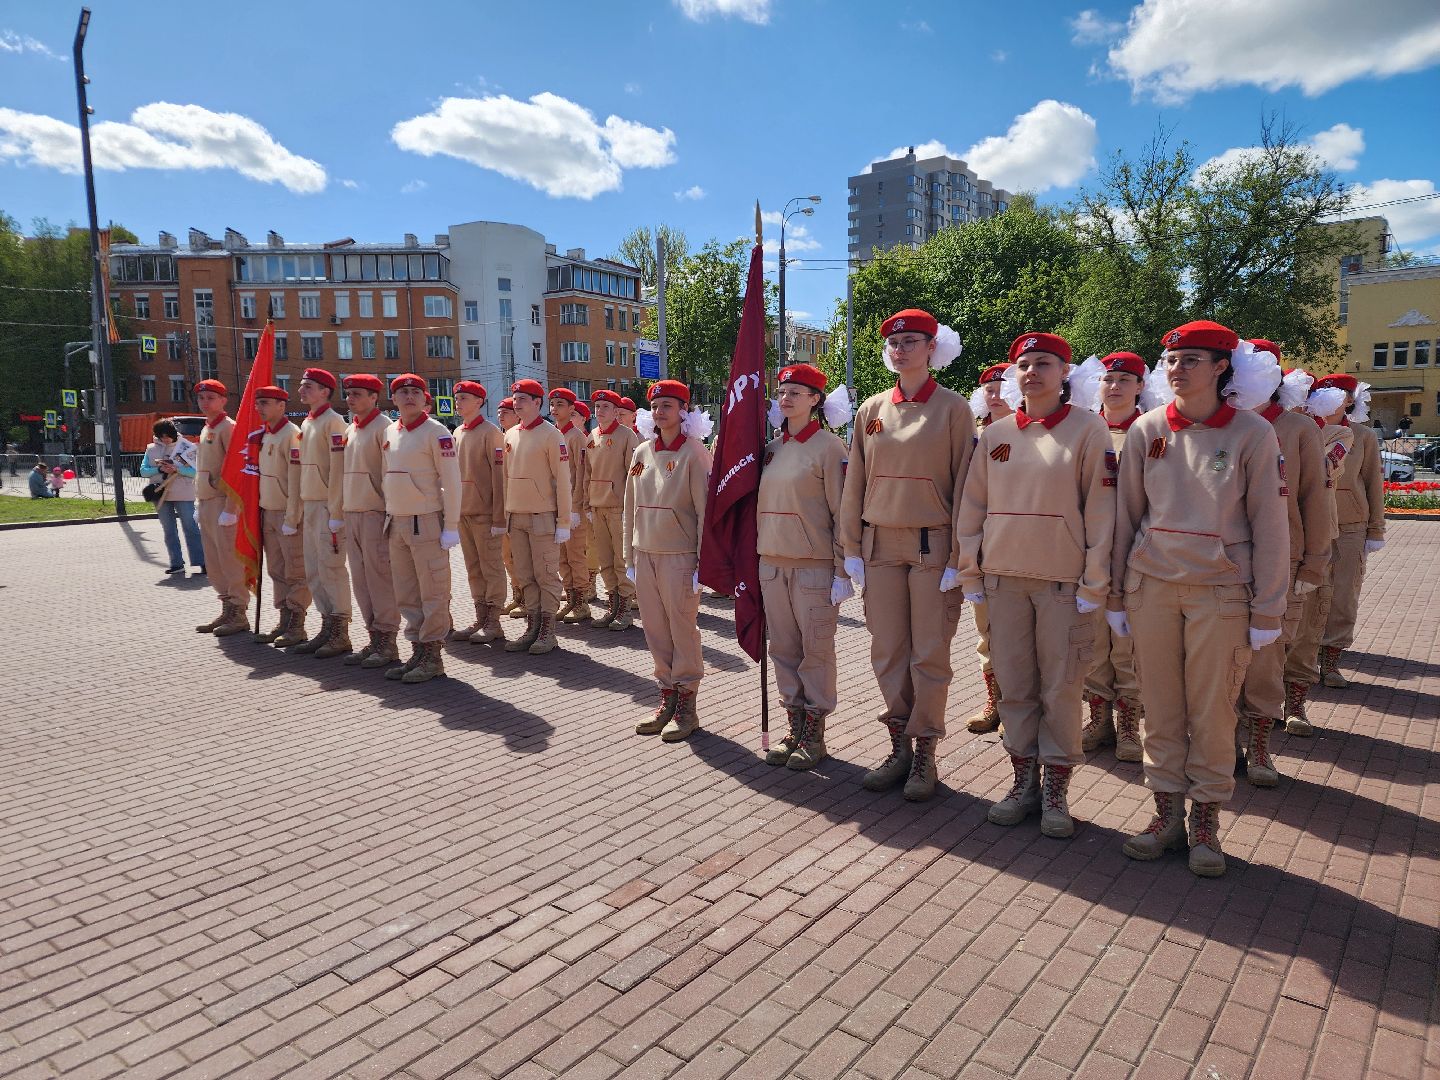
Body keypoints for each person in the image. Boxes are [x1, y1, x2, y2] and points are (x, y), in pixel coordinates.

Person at [1110, 322, 1288, 877]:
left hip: (1221, 593)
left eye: (1191, 358)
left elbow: (1271, 524)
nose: (1177, 368)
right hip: (1151, 587)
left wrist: (1269, 608)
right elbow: (1126, 518)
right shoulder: (1146, 429)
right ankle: (1165, 813)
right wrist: (1115, 593)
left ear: (1221, 368)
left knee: (1212, 710)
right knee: (1159, 706)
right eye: (1171, 359)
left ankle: (1206, 822)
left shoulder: (1253, 433)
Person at [956, 333, 1114, 837]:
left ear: (1065, 372)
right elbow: (973, 507)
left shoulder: (1089, 431)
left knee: (1061, 689)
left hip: (1063, 586)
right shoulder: (997, 435)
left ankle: (1056, 791)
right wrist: (971, 568)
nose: (1032, 372)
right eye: (1023, 364)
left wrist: (1095, 579)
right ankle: (1023, 780)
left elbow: (1102, 511)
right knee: (1017, 688)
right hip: (1004, 582)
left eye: (1044, 363)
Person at [839, 308, 974, 802]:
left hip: (931, 547)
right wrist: (850, 547)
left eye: (912, 341)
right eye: (894, 342)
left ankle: (924, 751)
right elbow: (855, 483)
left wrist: (960, 555)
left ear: (932, 348)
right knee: (888, 651)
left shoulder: (954, 409)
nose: (900, 349)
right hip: (880, 546)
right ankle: (898, 741)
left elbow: (966, 487)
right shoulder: (871, 410)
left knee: (929, 653)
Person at [1233, 350, 1329, 787]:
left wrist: (1314, 563)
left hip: (1283, 562)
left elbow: (1315, 498)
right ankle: (1222, 745)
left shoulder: (1297, 427)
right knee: (1219, 659)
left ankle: (1258, 745)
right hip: (1225, 564)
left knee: (1266, 661)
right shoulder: (1221, 425)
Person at [758, 363, 852, 769]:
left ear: (816, 400)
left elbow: (843, 512)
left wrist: (842, 570)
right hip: (772, 564)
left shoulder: (830, 448)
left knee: (815, 652)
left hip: (813, 566)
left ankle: (814, 732)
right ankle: (792, 723)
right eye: (783, 391)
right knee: (782, 649)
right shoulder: (772, 448)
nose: (787, 397)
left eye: (797, 391)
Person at [625, 380, 712, 740]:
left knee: (682, 630)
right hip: (645, 554)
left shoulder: (695, 453)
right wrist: (628, 554)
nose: (660, 412)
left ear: (683, 411)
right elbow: (629, 507)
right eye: (656, 405)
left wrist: (702, 563)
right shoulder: (642, 452)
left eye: (668, 406)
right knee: (655, 629)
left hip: (680, 557)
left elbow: (706, 513)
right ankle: (667, 696)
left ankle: (687, 704)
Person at [1075, 352, 1151, 761]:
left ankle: (1127, 726)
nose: (1115, 386)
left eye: (1125, 379)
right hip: (1087, 554)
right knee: (1090, 644)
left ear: (1140, 385)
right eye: (1109, 379)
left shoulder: (1152, 432)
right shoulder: (1084, 430)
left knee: (1128, 646)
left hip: (1132, 555)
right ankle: (1098, 719)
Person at [1284, 381, 1356, 734]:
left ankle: (1295, 702)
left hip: (1315, 541)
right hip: (1267, 541)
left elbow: (1327, 467)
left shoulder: (1338, 433)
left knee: (1307, 626)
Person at [381, 374, 462, 683]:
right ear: (395, 399)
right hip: (397, 522)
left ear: (424, 397)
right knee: (407, 593)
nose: (409, 396)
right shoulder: (391, 430)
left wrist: (450, 525)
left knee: (433, 592)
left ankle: (432, 655)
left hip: (425, 521)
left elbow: (452, 481)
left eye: (416, 391)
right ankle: (417, 649)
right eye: (403, 392)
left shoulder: (436, 431)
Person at [1319, 375, 1385, 689]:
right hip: (1311, 526)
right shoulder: (1306, 429)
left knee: (1343, 596)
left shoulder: (1363, 436)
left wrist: (1375, 529)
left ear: (1350, 399)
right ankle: (1299, 662)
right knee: (1305, 598)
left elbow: (1373, 484)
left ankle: (1330, 661)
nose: (1333, 398)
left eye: (1342, 394)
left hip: (1350, 527)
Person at [501, 379, 573, 655]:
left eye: (522, 399)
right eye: (515, 399)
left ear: (536, 403)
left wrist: (564, 521)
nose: (516, 403)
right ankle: (532, 627)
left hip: (543, 517)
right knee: (525, 576)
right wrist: (505, 515)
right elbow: (506, 479)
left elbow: (563, 481)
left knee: (545, 575)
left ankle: (547, 631)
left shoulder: (551, 435)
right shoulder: (510, 434)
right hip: (516, 517)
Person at [289, 368, 353, 658]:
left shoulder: (333, 422)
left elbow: (338, 472)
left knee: (332, 568)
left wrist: (336, 510)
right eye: (302, 386)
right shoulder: (308, 423)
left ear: (325, 391)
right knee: (314, 570)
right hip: (311, 504)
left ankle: (340, 630)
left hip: (328, 505)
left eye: (309, 387)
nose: (302, 391)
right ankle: (326, 626)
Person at [339, 373, 401, 668]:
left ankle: (387, 640)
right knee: (361, 581)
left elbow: (391, 474)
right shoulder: (351, 429)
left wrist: (389, 514)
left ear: (374, 397)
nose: (351, 399)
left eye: (358, 394)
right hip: (352, 512)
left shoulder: (384, 428)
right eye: (349, 393)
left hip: (375, 514)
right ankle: (373, 636)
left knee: (380, 581)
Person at [965, 362, 1013, 736]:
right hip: (982, 545)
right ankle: (994, 699)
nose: (994, 395)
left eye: (1001, 388)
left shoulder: (1028, 433)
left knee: (1023, 633)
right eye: (989, 390)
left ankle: (1020, 705)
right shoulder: (972, 438)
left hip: (1023, 546)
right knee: (987, 630)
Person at [248, 386, 311, 647]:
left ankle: (297, 623)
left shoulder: (291, 435)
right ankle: (284, 618)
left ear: (281, 405)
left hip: (287, 514)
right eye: (258, 403)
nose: (259, 408)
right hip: (268, 512)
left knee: (295, 569)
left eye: (265, 403)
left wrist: (292, 516)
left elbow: (296, 481)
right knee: (276, 570)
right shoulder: (265, 436)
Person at [451, 379, 508, 645]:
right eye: (457, 398)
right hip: (464, 512)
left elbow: (499, 477)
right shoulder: (458, 432)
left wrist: (499, 517)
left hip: (485, 514)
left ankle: (494, 621)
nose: (459, 402)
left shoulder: (490, 432)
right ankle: (481, 616)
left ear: (479, 402)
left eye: (464, 398)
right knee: (473, 569)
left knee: (491, 568)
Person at [193, 379, 250, 636]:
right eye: (202, 398)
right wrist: (198, 501)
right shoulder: (207, 428)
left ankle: (238, 611)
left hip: (222, 504)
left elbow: (237, 469)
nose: (205, 403)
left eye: (211, 398)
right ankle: (227, 607)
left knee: (229, 559)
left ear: (224, 400)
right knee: (214, 561)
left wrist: (231, 507)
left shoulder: (229, 428)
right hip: (206, 502)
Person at [587, 389, 640, 630]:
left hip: (618, 507)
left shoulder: (626, 436)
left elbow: (635, 473)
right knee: (605, 560)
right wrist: (587, 504)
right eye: (597, 407)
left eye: (605, 407)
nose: (600, 411)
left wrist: (631, 504)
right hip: (597, 506)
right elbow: (587, 472)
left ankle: (625, 609)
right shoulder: (592, 436)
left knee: (621, 559)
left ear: (617, 411)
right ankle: (612, 605)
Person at [549, 388, 592, 625]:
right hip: (556, 506)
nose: (555, 409)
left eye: (560, 404)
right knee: (561, 557)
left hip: (572, 508)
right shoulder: (552, 434)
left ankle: (582, 602)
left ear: (571, 409)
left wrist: (577, 507)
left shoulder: (576, 437)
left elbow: (581, 474)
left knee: (576, 555)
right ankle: (571, 599)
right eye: (552, 404)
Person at [140, 421, 203, 574]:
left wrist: (177, 469)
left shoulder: (187, 447)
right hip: (160, 493)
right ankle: (176, 563)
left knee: (191, 527)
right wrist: (160, 468)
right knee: (169, 530)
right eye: (162, 437)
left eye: (168, 436)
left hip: (183, 492)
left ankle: (202, 561)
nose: (165, 440)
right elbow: (143, 471)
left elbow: (196, 472)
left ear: (174, 433)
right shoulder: (151, 449)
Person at [496, 397, 525, 618]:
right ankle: (518, 595)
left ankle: (526, 598)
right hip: (502, 505)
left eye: (506, 411)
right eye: (499, 412)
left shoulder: (519, 436)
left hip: (519, 506)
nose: (501, 415)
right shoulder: (501, 436)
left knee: (520, 556)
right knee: (507, 556)